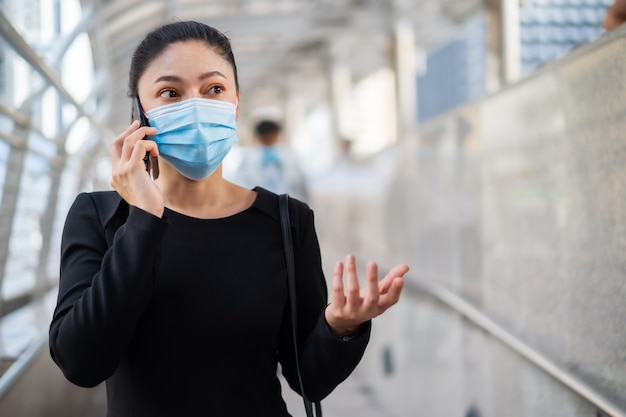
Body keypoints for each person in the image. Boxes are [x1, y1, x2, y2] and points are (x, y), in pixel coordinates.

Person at [48, 21, 408, 417]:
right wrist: (144, 218)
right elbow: (81, 362)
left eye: (213, 89)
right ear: (139, 111)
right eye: (170, 93)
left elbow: (310, 380)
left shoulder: (286, 221)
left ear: (236, 103)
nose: (197, 107)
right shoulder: (101, 216)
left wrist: (341, 327)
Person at [232, 119, 309, 201]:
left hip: (286, 202)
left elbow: (299, 182)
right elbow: (241, 183)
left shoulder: (288, 156)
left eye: (272, 136)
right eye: (266, 136)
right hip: (259, 203)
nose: (269, 139)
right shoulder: (249, 159)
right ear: (259, 137)